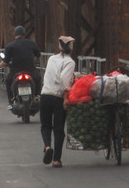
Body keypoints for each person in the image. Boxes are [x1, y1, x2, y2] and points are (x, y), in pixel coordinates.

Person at [40, 35, 76, 168]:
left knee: (45, 126)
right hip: (58, 98)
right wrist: (66, 98)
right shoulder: (70, 62)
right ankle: (56, 160)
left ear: (60, 47)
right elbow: (64, 80)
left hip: (45, 95)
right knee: (59, 129)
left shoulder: (51, 59)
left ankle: (48, 146)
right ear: (71, 49)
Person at [0, 25, 41, 109]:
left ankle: (11, 100)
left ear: (14, 34)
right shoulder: (31, 43)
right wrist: (36, 62)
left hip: (16, 71)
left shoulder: (10, 46)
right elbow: (38, 54)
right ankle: (37, 96)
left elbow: (5, 62)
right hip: (30, 70)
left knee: (8, 81)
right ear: (24, 34)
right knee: (38, 79)